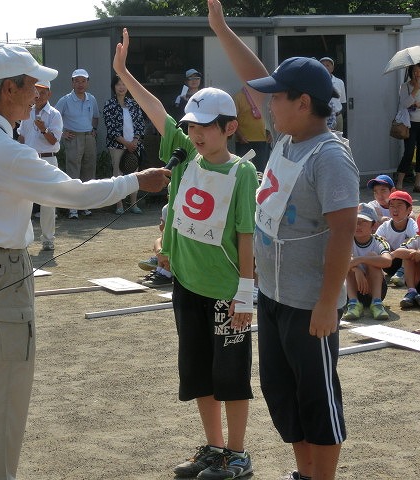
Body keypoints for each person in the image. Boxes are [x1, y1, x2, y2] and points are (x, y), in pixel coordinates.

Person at [0, 44, 170, 480]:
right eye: (31, 85)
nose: (38, 93)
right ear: (8, 89)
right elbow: (74, 193)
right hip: (1, 269)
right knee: (3, 391)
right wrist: (136, 179)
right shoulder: (6, 151)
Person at [207, 1, 359, 479]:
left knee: (317, 398)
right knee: (282, 392)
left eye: (277, 97)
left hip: (307, 303)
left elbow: (342, 234)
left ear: (304, 103)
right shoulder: (289, 137)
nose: (264, 103)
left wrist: (326, 301)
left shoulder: (329, 157)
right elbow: (257, 76)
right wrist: (222, 28)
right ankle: (304, 472)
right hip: (274, 297)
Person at [114, 28, 258, 480]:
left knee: (231, 372)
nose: (195, 133)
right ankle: (213, 449)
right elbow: (156, 110)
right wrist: (123, 72)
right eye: (191, 125)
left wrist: (246, 294)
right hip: (187, 286)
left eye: (205, 126)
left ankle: (237, 453)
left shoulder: (243, 172)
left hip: (227, 292)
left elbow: (246, 236)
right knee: (197, 370)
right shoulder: (182, 154)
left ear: (229, 127)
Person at [17, 79, 63, 251]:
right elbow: (22, 136)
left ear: (49, 94)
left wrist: (43, 129)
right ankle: (22, 239)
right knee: (23, 199)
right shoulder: (26, 112)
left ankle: (48, 239)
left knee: (48, 201)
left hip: (48, 159)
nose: (38, 95)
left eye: (42, 92)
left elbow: (53, 141)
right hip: (28, 159)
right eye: (36, 91)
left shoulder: (54, 114)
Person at [54, 68, 100, 218]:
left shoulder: (91, 99)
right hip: (73, 138)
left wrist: (94, 129)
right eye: (77, 81)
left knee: (89, 171)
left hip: (88, 138)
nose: (80, 84)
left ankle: (86, 206)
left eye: (83, 81)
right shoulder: (65, 100)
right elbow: (54, 118)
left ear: (88, 83)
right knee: (73, 172)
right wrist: (62, 134)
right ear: (72, 83)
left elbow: (95, 117)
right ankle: (73, 208)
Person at [103, 74, 146, 214]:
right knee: (118, 175)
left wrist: (135, 141)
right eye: (118, 84)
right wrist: (126, 143)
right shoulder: (109, 105)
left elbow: (140, 124)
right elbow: (111, 128)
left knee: (134, 174)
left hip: (134, 145)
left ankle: (134, 204)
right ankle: (119, 205)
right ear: (113, 87)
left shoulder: (134, 104)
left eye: (124, 84)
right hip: (117, 145)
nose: (121, 87)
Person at [342, 203, 392, 321]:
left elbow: (387, 261)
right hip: (351, 290)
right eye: (356, 221)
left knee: (372, 256)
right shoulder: (346, 241)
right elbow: (340, 264)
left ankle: (377, 303)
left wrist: (360, 260)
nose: (358, 225)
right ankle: (353, 303)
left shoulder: (378, 241)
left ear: (373, 226)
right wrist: (356, 269)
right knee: (347, 263)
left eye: (364, 221)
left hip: (374, 290)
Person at [395, 62, 420, 193]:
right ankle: (399, 183)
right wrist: (415, 89)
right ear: (411, 72)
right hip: (410, 124)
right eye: (415, 71)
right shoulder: (405, 87)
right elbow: (405, 104)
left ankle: (418, 183)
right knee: (408, 152)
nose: (418, 73)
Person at [377, 190, 418, 287]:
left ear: (409, 210)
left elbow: (417, 241)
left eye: (399, 205)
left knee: (410, 241)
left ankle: (402, 273)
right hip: (389, 262)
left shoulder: (412, 225)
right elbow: (374, 243)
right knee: (380, 240)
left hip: (407, 263)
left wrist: (398, 252)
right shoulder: (385, 226)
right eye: (392, 206)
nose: (395, 209)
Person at [395, 210, 420, 309]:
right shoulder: (417, 239)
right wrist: (414, 253)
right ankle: (412, 292)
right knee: (409, 255)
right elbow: (398, 251)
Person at [233, 86, 269, 172]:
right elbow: (232, 119)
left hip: (262, 139)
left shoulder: (264, 96)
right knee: (242, 169)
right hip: (244, 140)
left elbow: (270, 115)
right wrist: (239, 135)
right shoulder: (238, 97)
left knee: (261, 170)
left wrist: (270, 132)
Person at [138, 204, 173, 287]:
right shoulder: (167, 208)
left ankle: (167, 272)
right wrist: (159, 251)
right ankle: (159, 268)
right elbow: (159, 239)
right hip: (166, 253)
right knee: (162, 244)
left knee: (170, 248)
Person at [319, 57, 346, 134]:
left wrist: (339, 115)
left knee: (339, 140)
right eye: (323, 65)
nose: (325, 67)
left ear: (332, 68)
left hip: (338, 117)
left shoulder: (339, 82)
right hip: (323, 119)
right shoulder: (316, 82)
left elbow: (343, 101)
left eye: (328, 65)